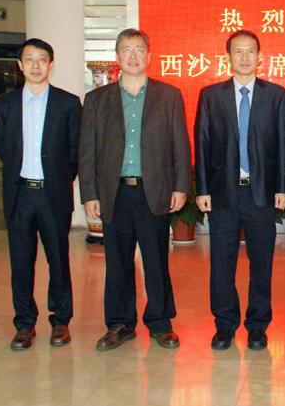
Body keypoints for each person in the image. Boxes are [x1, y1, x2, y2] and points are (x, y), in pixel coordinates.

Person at [79, 28, 191, 351]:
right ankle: (120, 323)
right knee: (117, 263)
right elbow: (87, 151)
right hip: (114, 192)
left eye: (139, 49)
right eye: (126, 50)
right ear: (117, 57)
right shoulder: (97, 100)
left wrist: (180, 186)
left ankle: (160, 322)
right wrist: (90, 194)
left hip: (153, 191)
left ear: (149, 56)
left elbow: (180, 144)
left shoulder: (168, 95)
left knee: (156, 261)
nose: (133, 55)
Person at [194, 29, 285, 351]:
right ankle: (225, 325)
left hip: (260, 194)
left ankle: (258, 326)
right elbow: (202, 142)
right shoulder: (211, 95)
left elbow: (283, 144)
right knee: (222, 262)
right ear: (228, 58)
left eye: (251, 51)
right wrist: (202, 189)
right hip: (223, 194)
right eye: (238, 51)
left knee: (261, 262)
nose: (245, 57)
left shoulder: (276, 95)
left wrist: (282, 187)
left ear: (260, 57)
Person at [0, 38, 81, 350]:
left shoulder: (68, 104)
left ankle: (61, 321)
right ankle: (24, 324)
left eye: (42, 59)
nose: (35, 65)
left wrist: (59, 181)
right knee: (20, 263)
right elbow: (4, 150)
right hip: (19, 195)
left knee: (59, 260)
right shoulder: (3, 106)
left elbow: (75, 152)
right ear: (20, 65)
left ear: (50, 65)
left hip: (53, 195)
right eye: (29, 59)